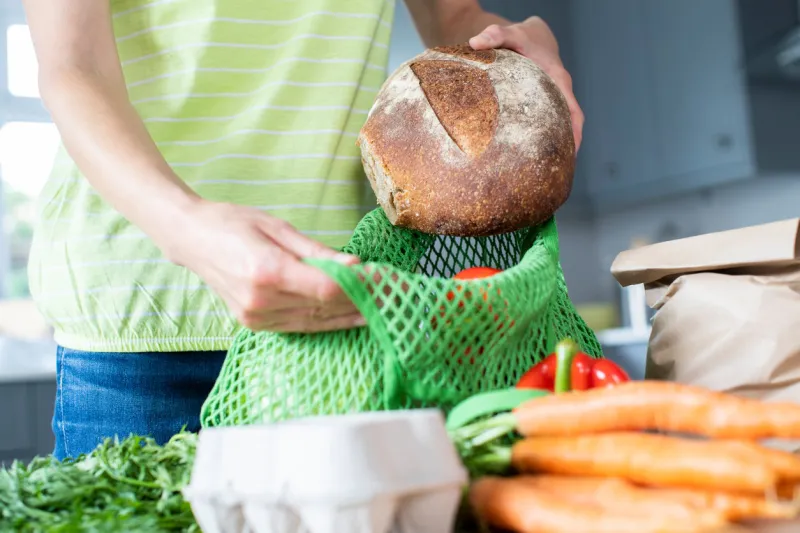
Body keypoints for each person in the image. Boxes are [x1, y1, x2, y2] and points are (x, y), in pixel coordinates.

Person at [22, 0, 583, 460]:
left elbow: (452, 14)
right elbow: (74, 64)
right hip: (144, 318)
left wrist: (509, 38)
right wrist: (183, 227)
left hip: (340, 319)